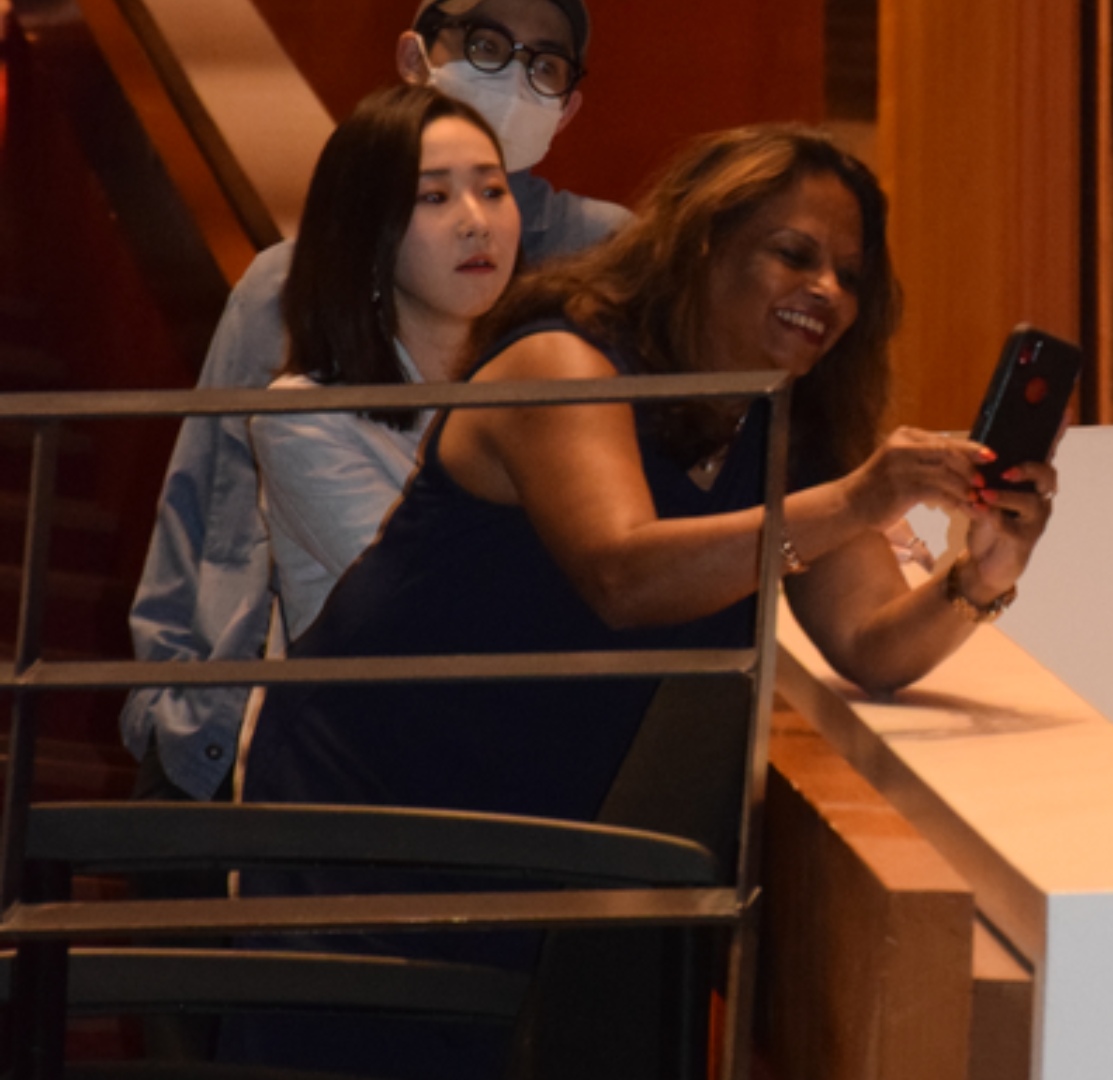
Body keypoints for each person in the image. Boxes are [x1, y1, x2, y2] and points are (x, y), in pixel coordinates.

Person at [226, 124, 1059, 1076]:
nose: (827, 291)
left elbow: (868, 640)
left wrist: (980, 576)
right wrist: (863, 496)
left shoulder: (784, 420)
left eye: (850, 274)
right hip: (385, 804)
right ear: (704, 243)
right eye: (794, 254)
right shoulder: (563, 361)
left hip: (545, 832)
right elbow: (623, 575)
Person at [122, 0, 627, 805]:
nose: (512, 76)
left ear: (568, 104)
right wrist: (166, 705)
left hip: (492, 755)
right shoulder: (286, 300)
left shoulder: (608, 265)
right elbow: (202, 509)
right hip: (257, 735)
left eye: (544, 63)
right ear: (415, 55)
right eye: (487, 44)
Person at [253, 85, 519, 641]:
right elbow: (429, 606)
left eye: (493, 190)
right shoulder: (305, 417)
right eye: (435, 198)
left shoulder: (534, 391)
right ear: (366, 229)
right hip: (361, 721)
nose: (477, 222)